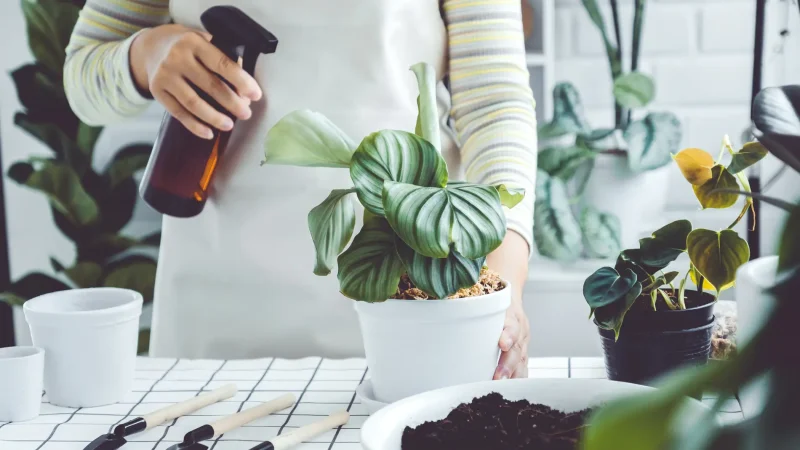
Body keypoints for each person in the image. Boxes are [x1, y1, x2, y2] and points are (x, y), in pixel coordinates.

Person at [64, 0, 538, 379]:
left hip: (410, 294)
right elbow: (83, 77)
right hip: (216, 302)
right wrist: (147, 54)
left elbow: (494, 104)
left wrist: (503, 286)